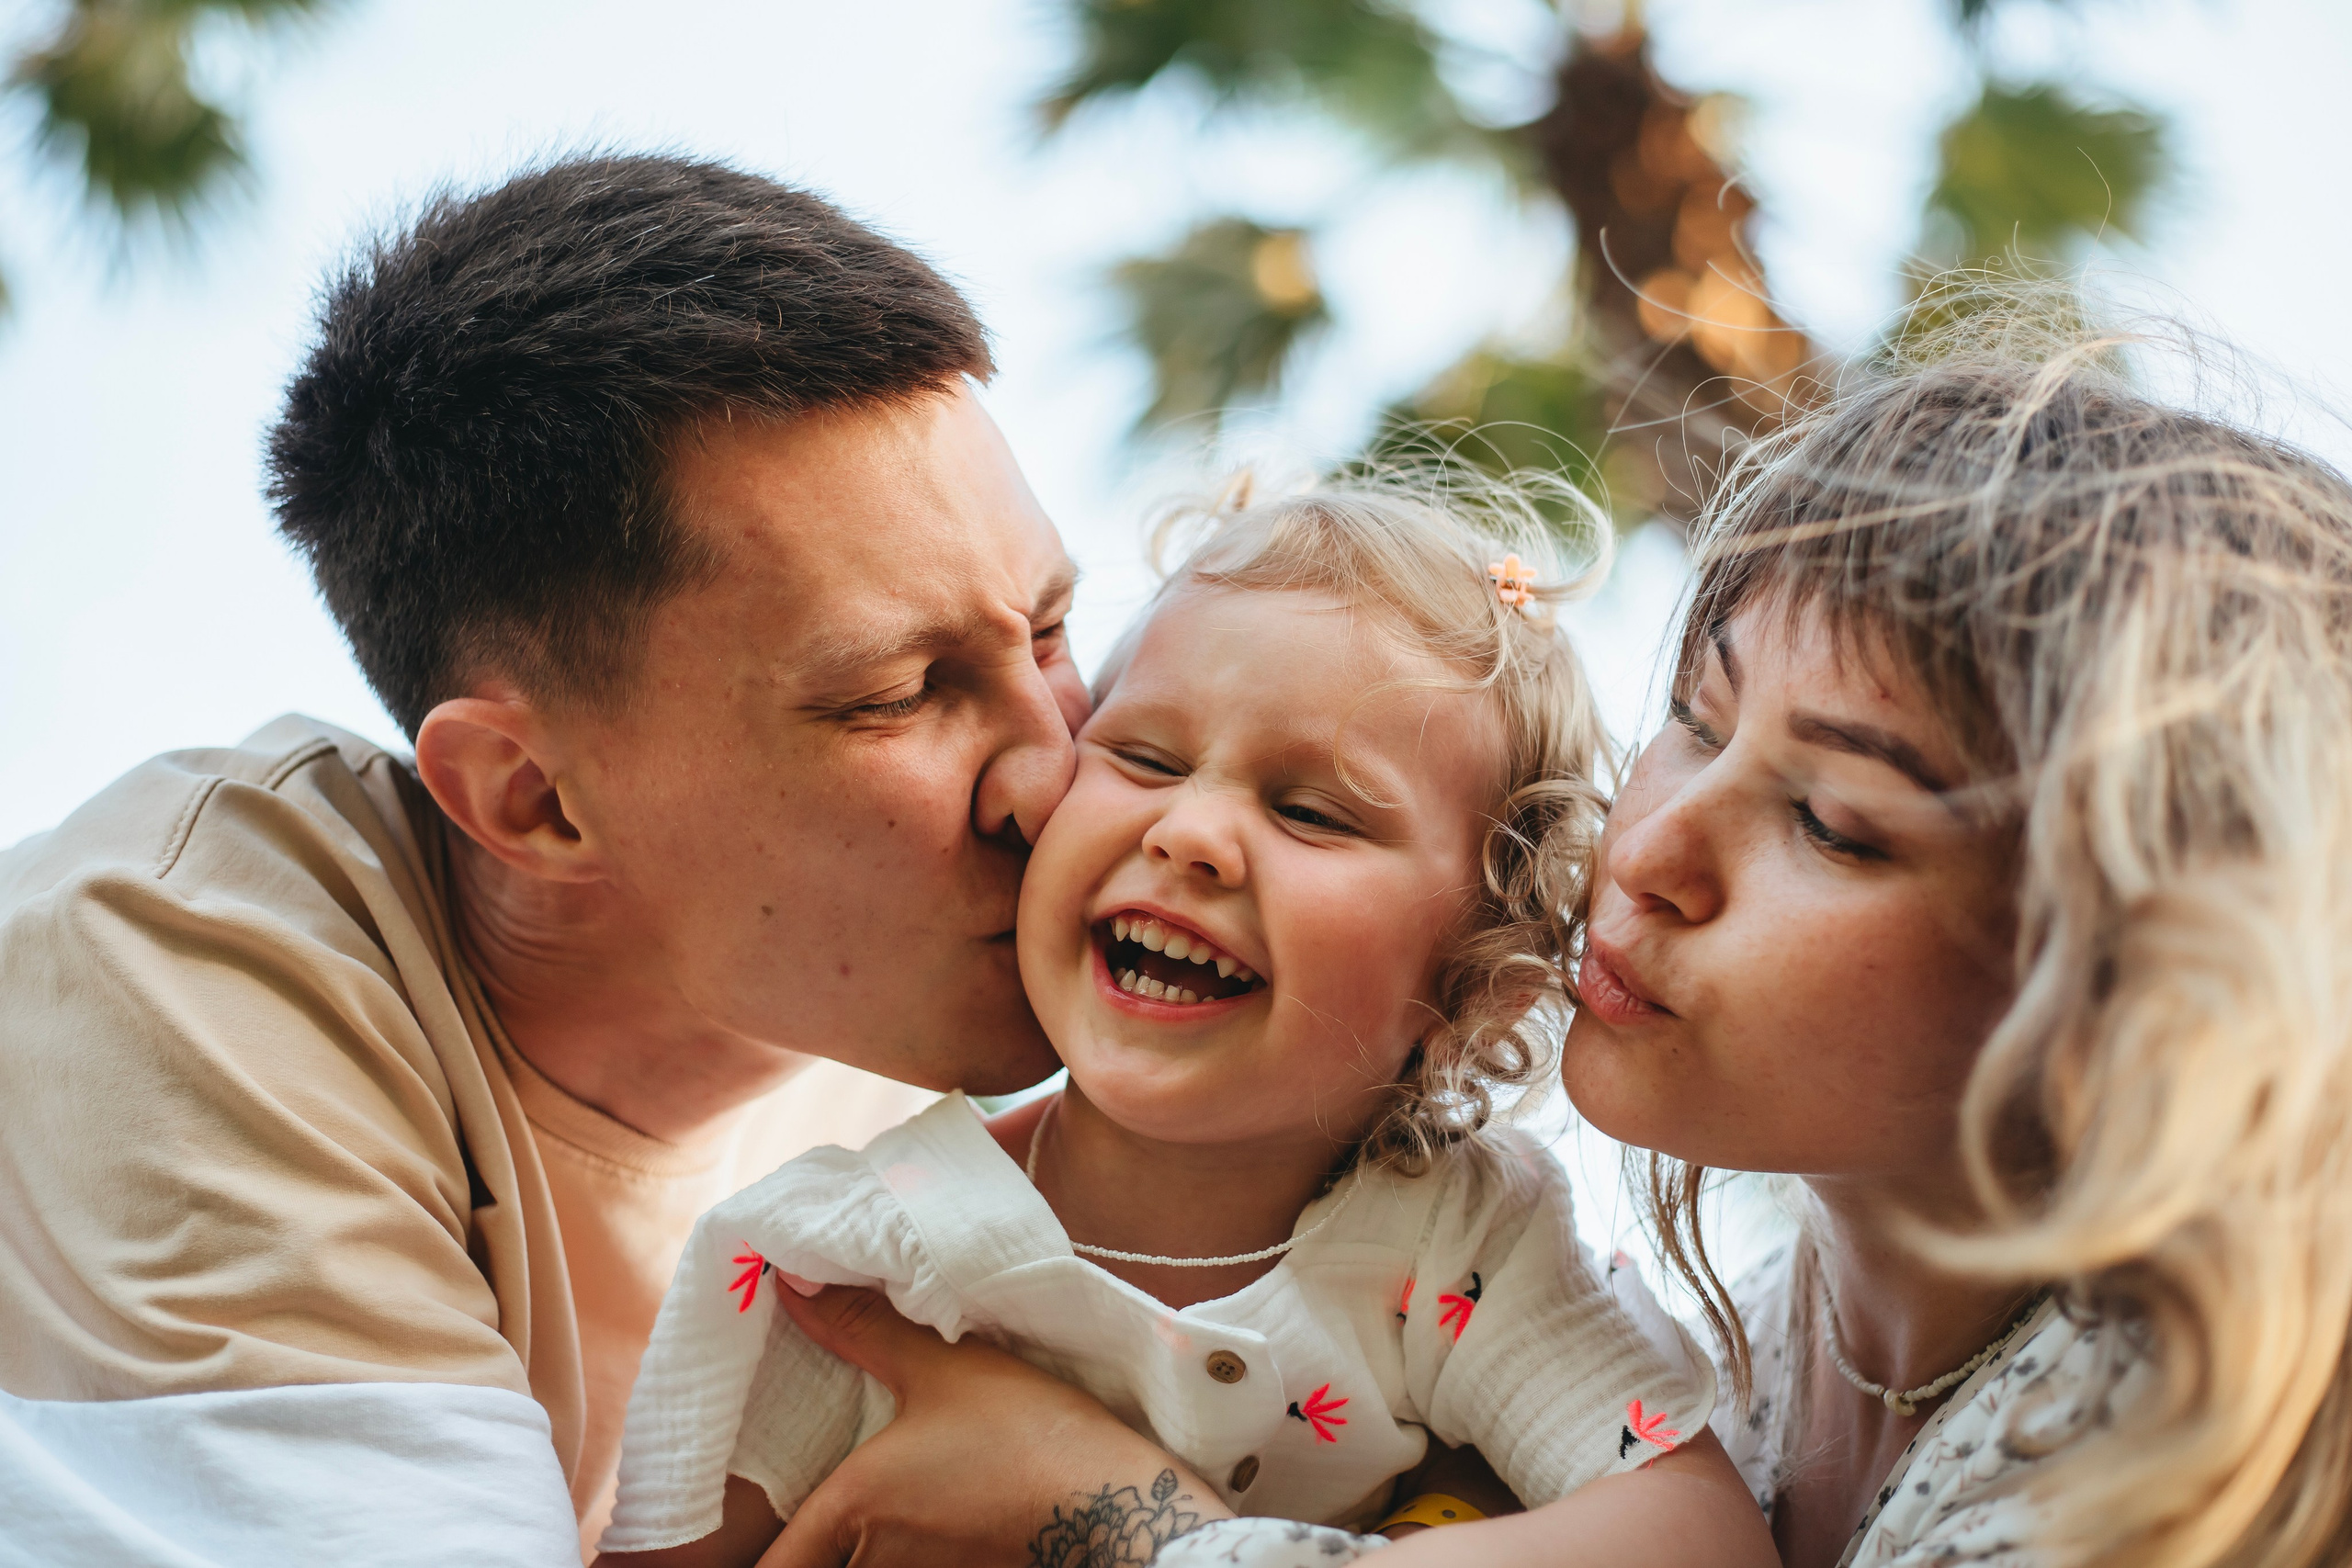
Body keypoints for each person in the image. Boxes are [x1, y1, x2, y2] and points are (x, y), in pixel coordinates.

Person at [729, 319, 2352, 1568]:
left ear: (2130, 976)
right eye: (1696, 724)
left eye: (1837, 825)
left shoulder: (2179, 1439)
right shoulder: (1732, 1345)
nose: (1648, 853)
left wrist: (1109, 1511)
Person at [0, 153, 1087, 1566]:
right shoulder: (171, 962)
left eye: (1053, 630)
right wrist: (1115, 1514)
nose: (1057, 765)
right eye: (894, 692)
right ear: (535, 797)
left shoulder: (922, 1044)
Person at [594, 479, 1770, 1568]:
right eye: (1144, 757)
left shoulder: (1466, 1248)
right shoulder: (841, 1255)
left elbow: (1703, 1542)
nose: (1189, 832)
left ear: (1470, 988)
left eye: (1310, 811)